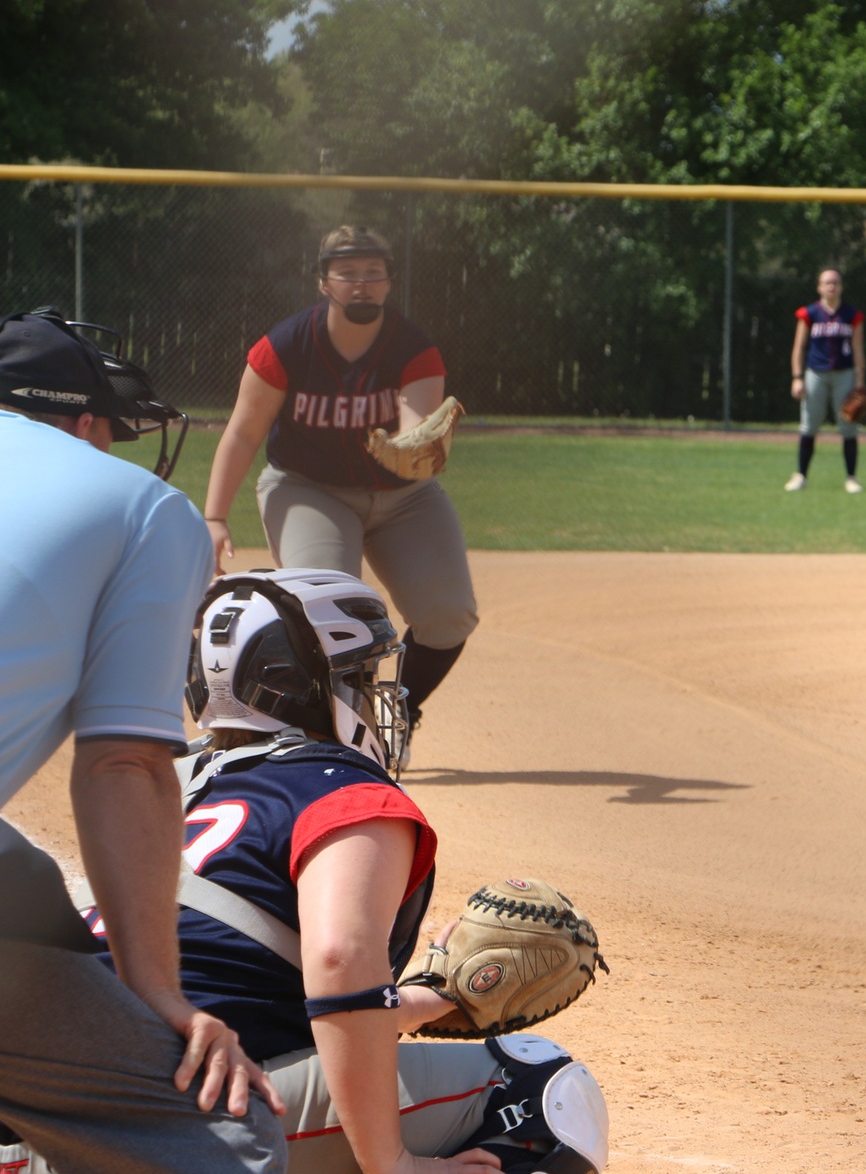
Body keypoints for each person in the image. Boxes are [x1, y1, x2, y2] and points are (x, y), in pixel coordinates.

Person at [3, 568, 609, 1174]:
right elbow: (340, 960)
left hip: (41, 1103)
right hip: (133, 1135)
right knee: (539, 1090)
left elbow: (271, 1003)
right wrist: (391, 1163)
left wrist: (429, 998)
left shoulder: (177, 783)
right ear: (312, 686)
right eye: (362, 676)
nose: (377, 694)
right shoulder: (345, 792)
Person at [0, 308, 288, 1173]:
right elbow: (124, 762)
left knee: (26, 879)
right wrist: (155, 991)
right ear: (83, 423)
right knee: (222, 1138)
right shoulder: (144, 510)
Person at [202, 226, 478, 770]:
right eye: (347, 273)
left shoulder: (412, 346)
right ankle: (335, 737)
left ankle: (396, 713)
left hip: (404, 498)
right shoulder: (284, 346)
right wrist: (214, 514)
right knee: (327, 614)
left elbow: (415, 421)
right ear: (324, 282)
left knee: (448, 615)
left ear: (389, 282)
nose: (361, 285)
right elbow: (242, 431)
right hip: (308, 488)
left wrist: (410, 442)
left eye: (373, 273)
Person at [785, 268, 866, 493]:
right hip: (815, 374)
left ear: (840, 287)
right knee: (809, 425)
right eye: (827, 283)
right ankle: (801, 475)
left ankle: (851, 478)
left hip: (844, 374)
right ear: (819, 287)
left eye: (835, 283)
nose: (831, 287)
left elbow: (858, 349)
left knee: (848, 427)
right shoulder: (809, 313)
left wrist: (860, 380)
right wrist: (797, 377)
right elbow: (799, 348)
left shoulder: (851, 314)